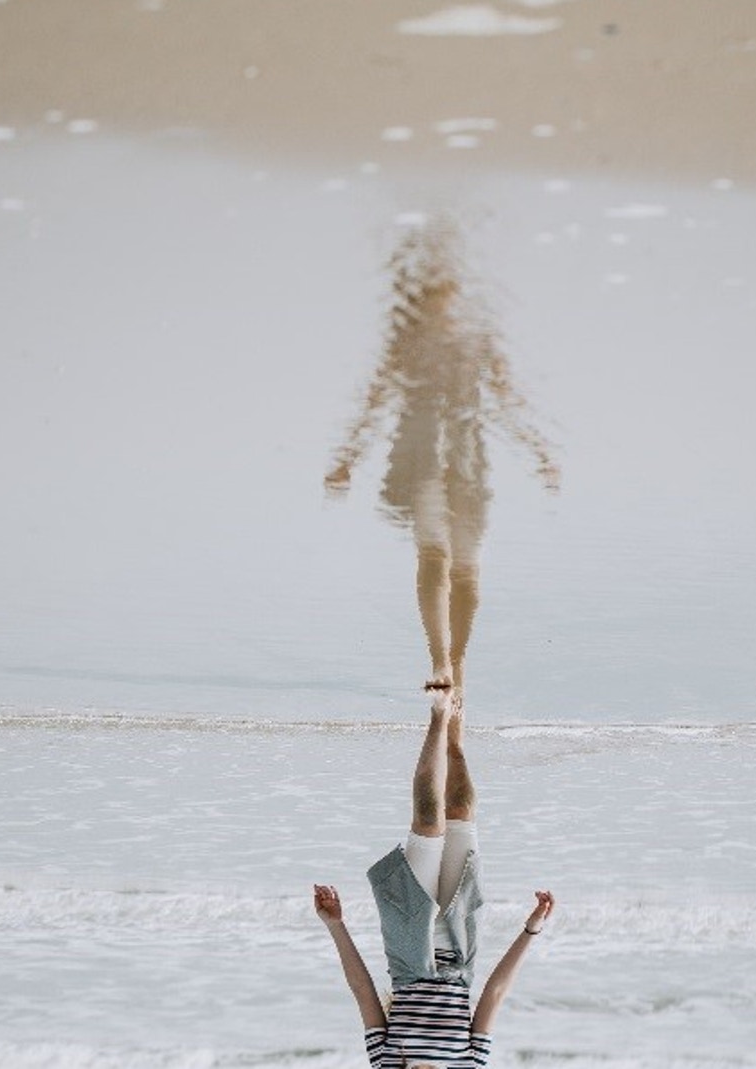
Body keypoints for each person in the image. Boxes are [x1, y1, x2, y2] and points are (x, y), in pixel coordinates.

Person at [324, 218, 560, 695]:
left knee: (467, 569)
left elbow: (506, 398)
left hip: (469, 459)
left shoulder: (478, 337)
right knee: (434, 551)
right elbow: (377, 396)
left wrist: (539, 450)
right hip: (418, 457)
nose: (438, 293)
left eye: (444, 283)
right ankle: (439, 661)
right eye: (428, 284)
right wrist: (348, 455)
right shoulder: (405, 338)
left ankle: (458, 660)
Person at [314, 688, 555, 1067]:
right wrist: (530, 931)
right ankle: (454, 741)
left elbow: (363, 991)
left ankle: (438, 717)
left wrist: (336, 925)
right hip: (460, 951)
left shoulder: (386, 1062)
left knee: (428, 820)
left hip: (409, 951)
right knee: (461, 807)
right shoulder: (469, 1065)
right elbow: (494, 994)